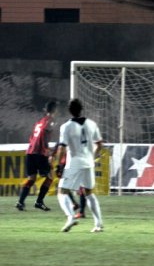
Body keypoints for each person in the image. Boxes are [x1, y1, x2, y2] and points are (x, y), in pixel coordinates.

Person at [56, 99, 105, 233]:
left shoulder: (66, 126)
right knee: (89, 193)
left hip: (74, 163)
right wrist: (92, 157)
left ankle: (71, 217)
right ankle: (98, 224)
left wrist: (58, 165)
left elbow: (62, 148)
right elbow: (100, 144)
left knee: (62, 192)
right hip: (88, 163)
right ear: (81, 109)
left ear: (69, 110)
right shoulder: (92, 124)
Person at [16, 101, 58, 211]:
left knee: (31, 179)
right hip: (39, 152)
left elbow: (32, 137)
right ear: (54, 110)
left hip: (30, 152)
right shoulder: (50, 121)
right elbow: (44, 134)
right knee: (50, 177)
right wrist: (47, 150)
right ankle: (39, 202)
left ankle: (20, 202)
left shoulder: (39, 122)